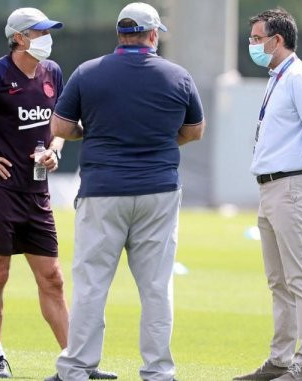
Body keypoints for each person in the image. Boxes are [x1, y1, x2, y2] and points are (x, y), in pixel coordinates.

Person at [0, 8, 115, 379]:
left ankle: (74, 364)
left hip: (37, 194)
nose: (47, 37)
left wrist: (55, 149)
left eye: (49, 30)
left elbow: (60, 124)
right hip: (0, 193)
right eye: (39, 31)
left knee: (53, 278)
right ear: (18, 38)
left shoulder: (52, 72)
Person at [44, 3, 205, 381]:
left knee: (91, 286)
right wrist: (158, 143)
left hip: (103, 190)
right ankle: (158, 372)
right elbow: (194, 131)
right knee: (156, 288)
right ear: (153, 35)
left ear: (120, 34)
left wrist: (94, 132)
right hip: (159, 191)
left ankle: (78, 367)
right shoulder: (178, 76)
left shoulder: (88, 73)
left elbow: (61, 127)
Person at [233, 8, 302, 381]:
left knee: (299, 278)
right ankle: (280, 360)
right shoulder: (279, 77)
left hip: (292, 185)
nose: (253, 45)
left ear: (277, 40)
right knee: (278, 280)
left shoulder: (298, 79)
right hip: (271, 187)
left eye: (258, 39)